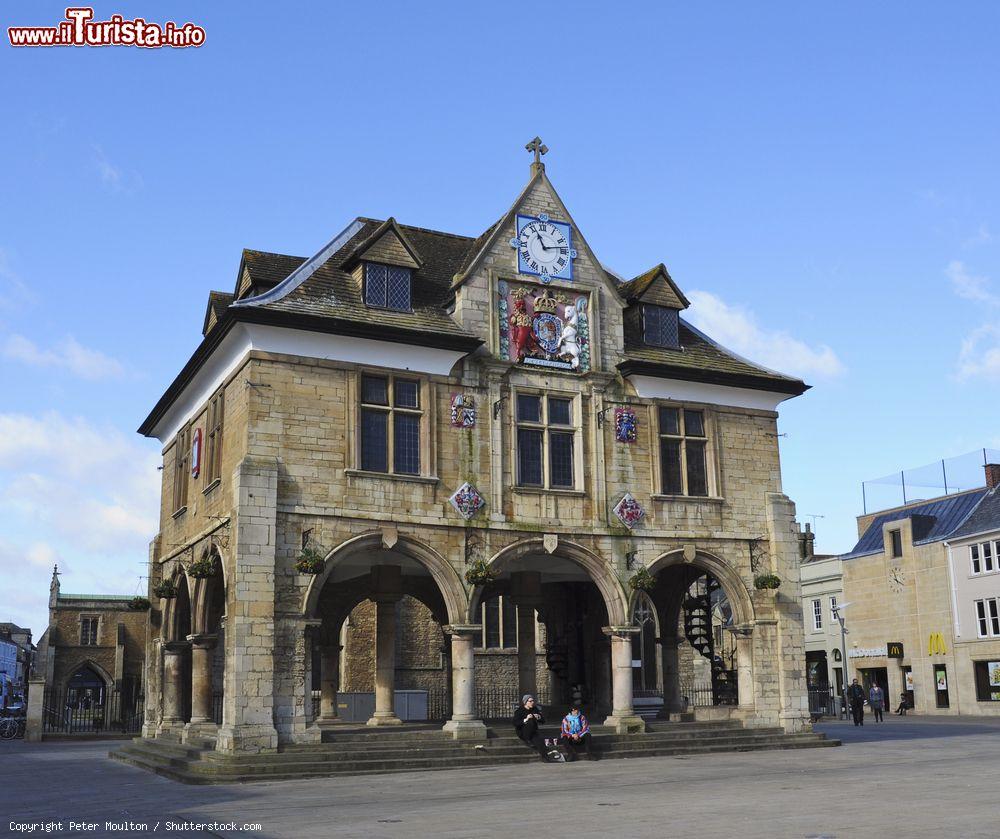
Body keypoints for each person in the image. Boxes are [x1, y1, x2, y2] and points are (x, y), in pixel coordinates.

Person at [513, 695, 550, 761]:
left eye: (533, 701)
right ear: (525, 702)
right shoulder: (519, 711)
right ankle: (528, 740)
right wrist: (526, 719)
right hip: (523, 732)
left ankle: (545, 758)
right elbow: (515, 723)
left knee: (540, 741)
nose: (532, 702)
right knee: (530, 720)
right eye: (530, 701)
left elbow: (543, 721)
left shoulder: (534, 709)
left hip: (533, 732)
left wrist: (538, 717)